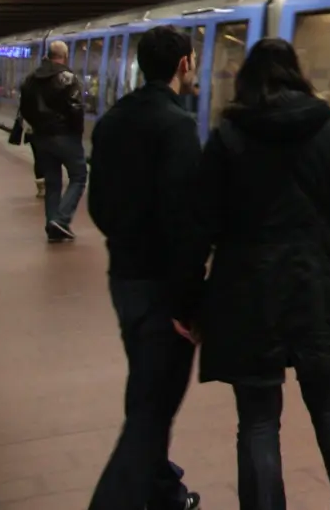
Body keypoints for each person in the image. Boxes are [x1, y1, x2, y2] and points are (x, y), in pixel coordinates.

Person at [188, 38, 330, 510]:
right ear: (297, 74)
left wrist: (190, 297)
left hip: (247, 289)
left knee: (258, 419)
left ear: (246, 80)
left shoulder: (228, 137)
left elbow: (200, 223)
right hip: (317, 284)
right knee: (329, 400)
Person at [86, 26, 205, 510]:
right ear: (183, 65)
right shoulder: (177, 127)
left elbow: (98, 206)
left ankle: (164, 494)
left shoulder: (113, 120)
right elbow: (185, 222)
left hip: (125, 278)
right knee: (153, 408)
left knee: (145, 391)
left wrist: (126, 240)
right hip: (162, 288)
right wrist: (187, 305)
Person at [20, 40, 87, 242]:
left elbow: (25, 109)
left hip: (42, 138)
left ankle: (52, 225)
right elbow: (76, 108)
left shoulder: (31, 79)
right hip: (65, 136)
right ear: (65, 57)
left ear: (48, 56)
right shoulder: (68, 78)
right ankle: (61, 219)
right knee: (79, 176)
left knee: (52, 182)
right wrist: (76, 133)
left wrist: (39, 127)